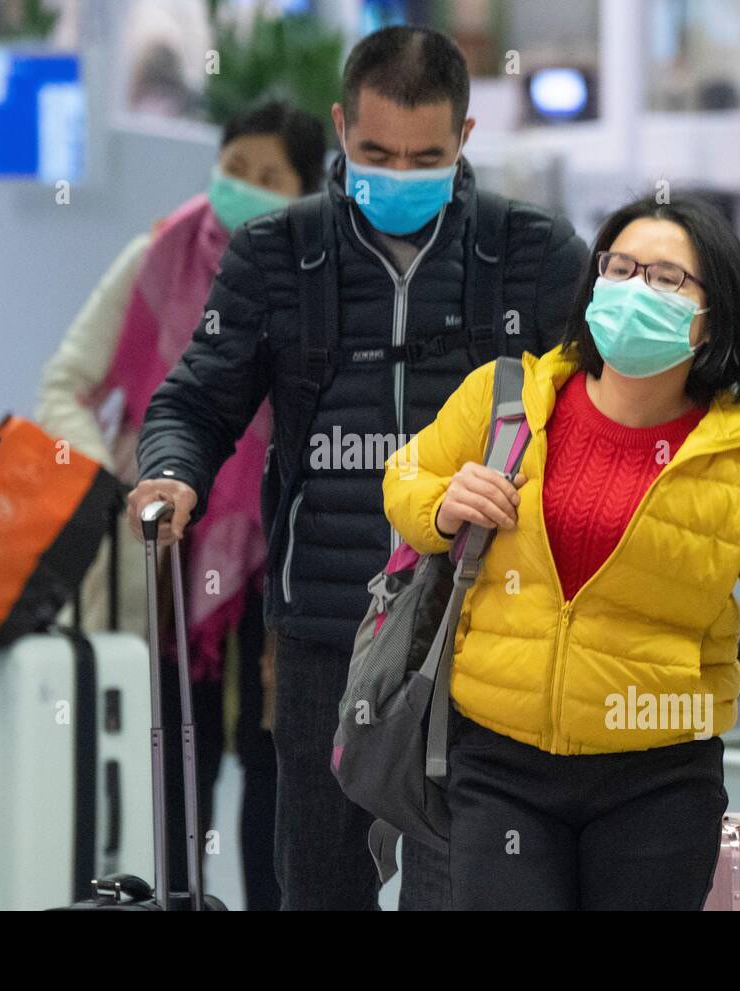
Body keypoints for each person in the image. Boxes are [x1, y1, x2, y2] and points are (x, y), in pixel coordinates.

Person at [381, 193, 740, 909]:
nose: (633, 289)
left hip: (656, 782)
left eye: (664, 278)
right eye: (618, 267)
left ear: (712, 315)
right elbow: (405, 475)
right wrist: (442, 506)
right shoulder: (508, 399)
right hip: (500, 764)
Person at [131, 25, 587, 910]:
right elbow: (194, 400)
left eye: (425, 157)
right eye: (377, 152)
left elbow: (597, 411)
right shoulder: (277, 255)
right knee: (321, 881)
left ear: (465, 138)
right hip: (326, 630)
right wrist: (173, 471)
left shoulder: (532, 253)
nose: (399, 175)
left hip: (483, 632)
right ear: (341, 128)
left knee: (464, 886)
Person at [37, 100, 325, 910]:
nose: (246, 187)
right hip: (165, 547)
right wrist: (115, 477)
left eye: (271, 178)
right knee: (174, 755)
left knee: (274, 758)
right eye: (236, 167)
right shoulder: (156, 254)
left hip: (282, 556)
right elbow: (65, 382)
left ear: (305, 189)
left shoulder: (317, 277)